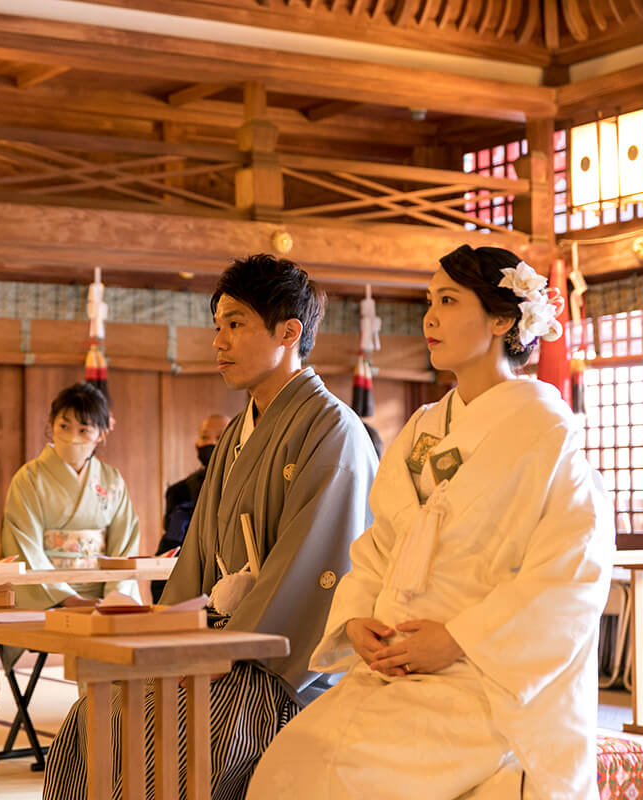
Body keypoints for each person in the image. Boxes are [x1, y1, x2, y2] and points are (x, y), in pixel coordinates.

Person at [246, 245, 614, 799]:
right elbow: (380, 544)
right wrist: (357, 620)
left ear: (502, 320)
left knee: (344, 777)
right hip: (396, 663)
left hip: (483, 677)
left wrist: (459, 640)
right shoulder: (422, 429)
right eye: (429, 301)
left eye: (448, 300)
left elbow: (570, 576)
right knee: (290, 762)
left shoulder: (546, 434)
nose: (430, 318)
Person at [42, 253, 378, 800]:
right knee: (96, 711)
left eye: (236, 324)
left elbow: (316, 568)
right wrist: (173, 641)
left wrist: (228, 651)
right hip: (218, 643)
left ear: (289, 332)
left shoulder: (334, 430)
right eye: (217, 326)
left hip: (275, 663)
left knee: (174, 735)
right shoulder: (235, 436)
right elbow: (197, 553)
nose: (218, 342)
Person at [0, 381, 142, 609]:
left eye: (83, 430)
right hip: (48, 600)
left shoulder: (112, 480)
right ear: (52, 424)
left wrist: (114, 599)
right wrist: (68, 599)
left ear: (101, 434)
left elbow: (124, 546)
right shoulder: (28, 479)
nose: (72, 437)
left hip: (103, 598)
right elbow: (25, 548)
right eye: (64, 426)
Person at [151, 413, 230, 601]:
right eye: (205, 437)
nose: (211, 443)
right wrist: (174, 535)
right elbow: (168, 550)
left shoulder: (246, 487)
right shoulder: (179, 492)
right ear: (197, 446)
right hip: (188, 577)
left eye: (219, 437)